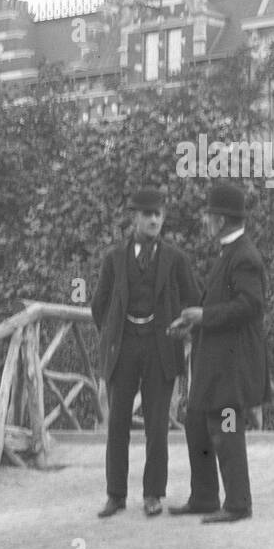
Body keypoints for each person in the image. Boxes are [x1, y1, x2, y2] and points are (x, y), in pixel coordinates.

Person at [91, 186, 199, 518]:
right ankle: (115, 494)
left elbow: (194, 300)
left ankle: (153, 494)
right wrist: (113, 336)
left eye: (158, 214)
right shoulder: (113, 258)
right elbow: (99, 306)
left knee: (156, 424)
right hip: (124, 346)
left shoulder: (175, 258)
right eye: (147, 214)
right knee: (118, 423)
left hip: (160, 345)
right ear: (134, 217)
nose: (153, 220)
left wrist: (182, 327)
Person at [167, 181, 269, 523]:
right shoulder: (231, 252)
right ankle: (205, 497)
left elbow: (250, 306)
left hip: (232, 365)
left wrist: (204, 316)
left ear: (222, 220)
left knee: (226, 430)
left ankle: (238, 504)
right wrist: (193, 323)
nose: (205, 220)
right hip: (216, 361)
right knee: (196, 421)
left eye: (209, 215)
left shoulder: (244, 256)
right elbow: (227, 305)